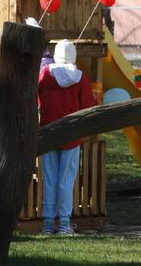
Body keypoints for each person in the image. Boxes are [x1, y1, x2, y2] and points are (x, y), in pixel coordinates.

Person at [37, 39, 96, 235]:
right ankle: (63, 223)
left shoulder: (45, 74)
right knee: (66, 179)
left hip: (48, 131)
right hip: (71, 134)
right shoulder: (81, 77)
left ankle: (47, 223)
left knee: (49, 179)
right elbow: (87, 106)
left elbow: (36, 96)